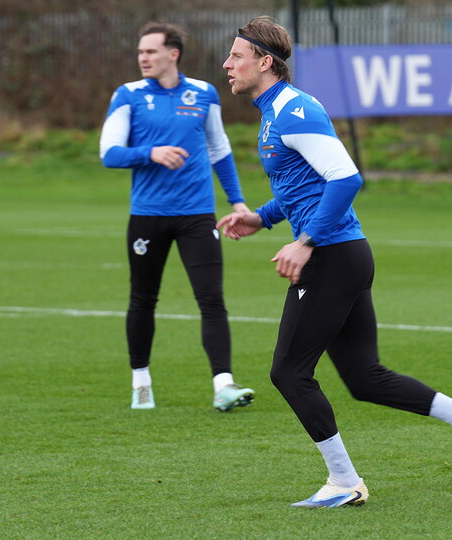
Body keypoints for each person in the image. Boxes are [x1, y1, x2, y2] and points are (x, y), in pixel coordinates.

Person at [217, 16, 452, 508]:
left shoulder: (293, 110)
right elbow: (302, 186)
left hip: (332, 256)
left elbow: (345, 179)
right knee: (364, 377)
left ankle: (345, 482)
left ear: (264, 62)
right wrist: (262, 219)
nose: (227, 64)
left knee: (288, 373)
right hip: (342, 255)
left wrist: (304, 241)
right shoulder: (273, 111)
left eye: (236, 56)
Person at [99, 22, 255, 412]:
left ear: (173, 54)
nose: (143, 58)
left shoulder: (203, 93)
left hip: (197, 215)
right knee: (143, 299)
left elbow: (219, 150)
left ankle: (223, 385)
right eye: (140, 52)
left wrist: (237, 202)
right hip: (148, 217)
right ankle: (141, 382)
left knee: (211, 299)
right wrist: (150, 152)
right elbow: (109, 153)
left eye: (151, 51)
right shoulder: (128, 95)